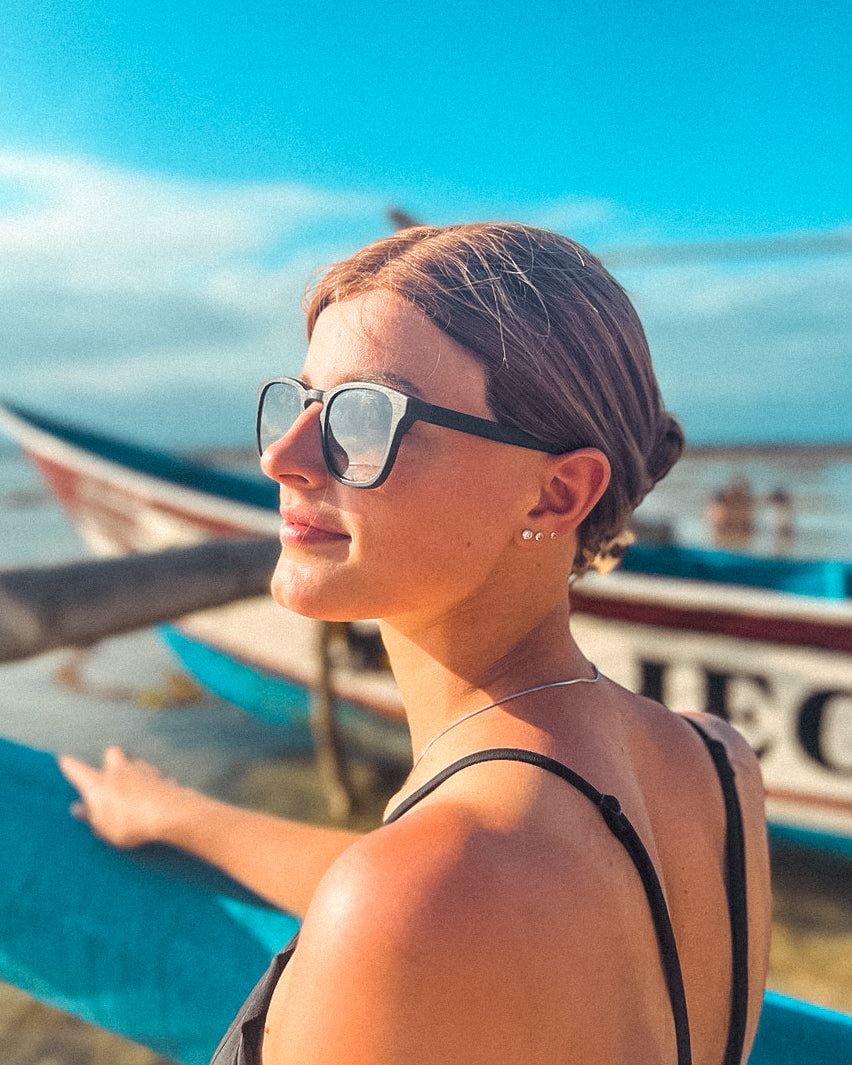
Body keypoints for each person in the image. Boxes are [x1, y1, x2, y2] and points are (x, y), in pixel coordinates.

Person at [60, 223, 771, 1065]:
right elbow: (437, 880)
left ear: (556, 492)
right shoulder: (718, 767)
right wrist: (182, 815)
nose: (284, 457)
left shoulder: (419, 895)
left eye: (366, 417)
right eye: (300, 400)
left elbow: (413, 896)